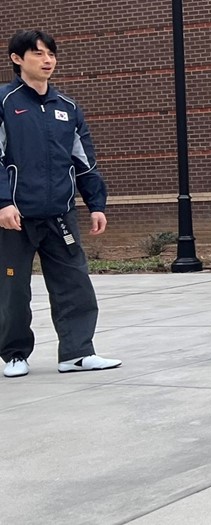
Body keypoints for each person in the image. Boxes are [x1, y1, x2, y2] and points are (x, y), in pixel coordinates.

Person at [1, 30, 122, 378]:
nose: (47, 60)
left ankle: (77, 352)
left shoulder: (67, 108)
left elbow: (84, 161)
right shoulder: (5, 102)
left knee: (74, 283)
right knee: (11, 288)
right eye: (38, 53)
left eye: (51, 53)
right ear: (17, 59)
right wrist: (3, 202)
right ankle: (14, 354)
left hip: (60, 213)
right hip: (14, 216)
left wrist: (96, 204)